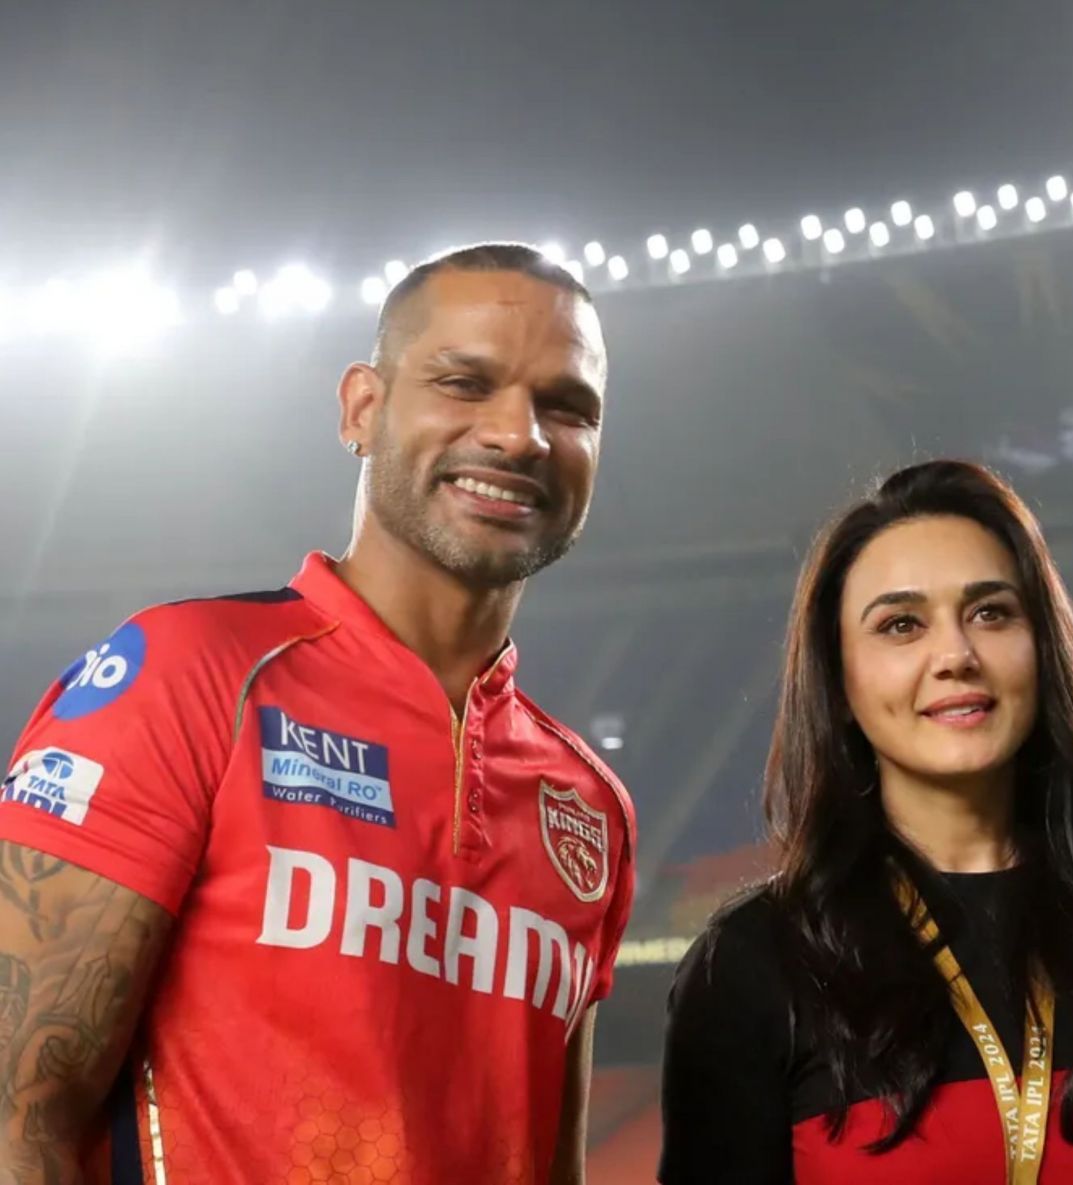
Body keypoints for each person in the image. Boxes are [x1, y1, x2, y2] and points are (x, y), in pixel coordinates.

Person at [0, 243, 636, 1184]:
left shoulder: (589, 803)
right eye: (466, 383)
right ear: (363, 409)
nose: (520, 436)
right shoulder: (189, 675)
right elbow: (19, 1114)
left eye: (567, 406)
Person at [659, 459, 1073, 1185]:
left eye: (991, 612)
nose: (956, 655)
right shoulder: (755, 961)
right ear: (839, 681)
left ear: (1045, 649)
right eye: (901, 625)